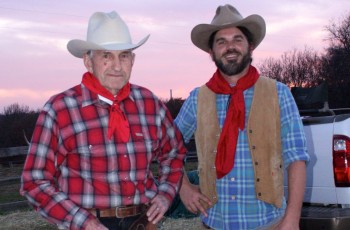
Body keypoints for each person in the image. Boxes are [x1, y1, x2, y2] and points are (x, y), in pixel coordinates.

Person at [20, 11, 186, 230]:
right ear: (88, 61)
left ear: (133, 60)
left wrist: (165, 194)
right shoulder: (60, 110)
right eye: (106, 56)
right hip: (88, 223)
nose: (117, 66)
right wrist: (83, 222)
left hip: (144, 223)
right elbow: (34, 181)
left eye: (124, 55)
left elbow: (174, 153)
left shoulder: (149, 104)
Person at [174, 4, 310, 230]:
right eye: (221, 41)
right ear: (211, 52)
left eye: (237, 39)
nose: (230, 47)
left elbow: (296, 157)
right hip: (215, 224)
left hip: (269, 223)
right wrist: (183, 187)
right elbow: (167, 147)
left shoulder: (278, 93)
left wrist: (292, 219)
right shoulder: (198, 98)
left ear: (251, 46)